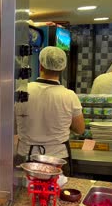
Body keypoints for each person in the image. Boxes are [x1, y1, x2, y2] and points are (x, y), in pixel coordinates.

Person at [15, 46, 85, 175]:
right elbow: (80, 129)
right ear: (62, 68)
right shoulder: (69, 96)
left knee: (23, 193)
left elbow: (13, 125)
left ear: (40, 65)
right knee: (55, 192)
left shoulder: (21, 91)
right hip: (57, 159)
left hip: (25, 156)